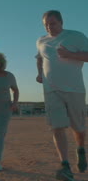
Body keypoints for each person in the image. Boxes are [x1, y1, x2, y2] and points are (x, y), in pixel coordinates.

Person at [36, 10, 88, 181]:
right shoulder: (41, 41)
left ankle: (80, 149)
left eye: (52, 24)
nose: (49, 27)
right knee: (56, 127)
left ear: (61, 22)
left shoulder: (76, 36)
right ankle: (65, 166)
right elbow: (40, 58)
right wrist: (39, 73)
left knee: (78, 129)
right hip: (51, 90)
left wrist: (70, 55)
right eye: (46, 24)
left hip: (75, 90)